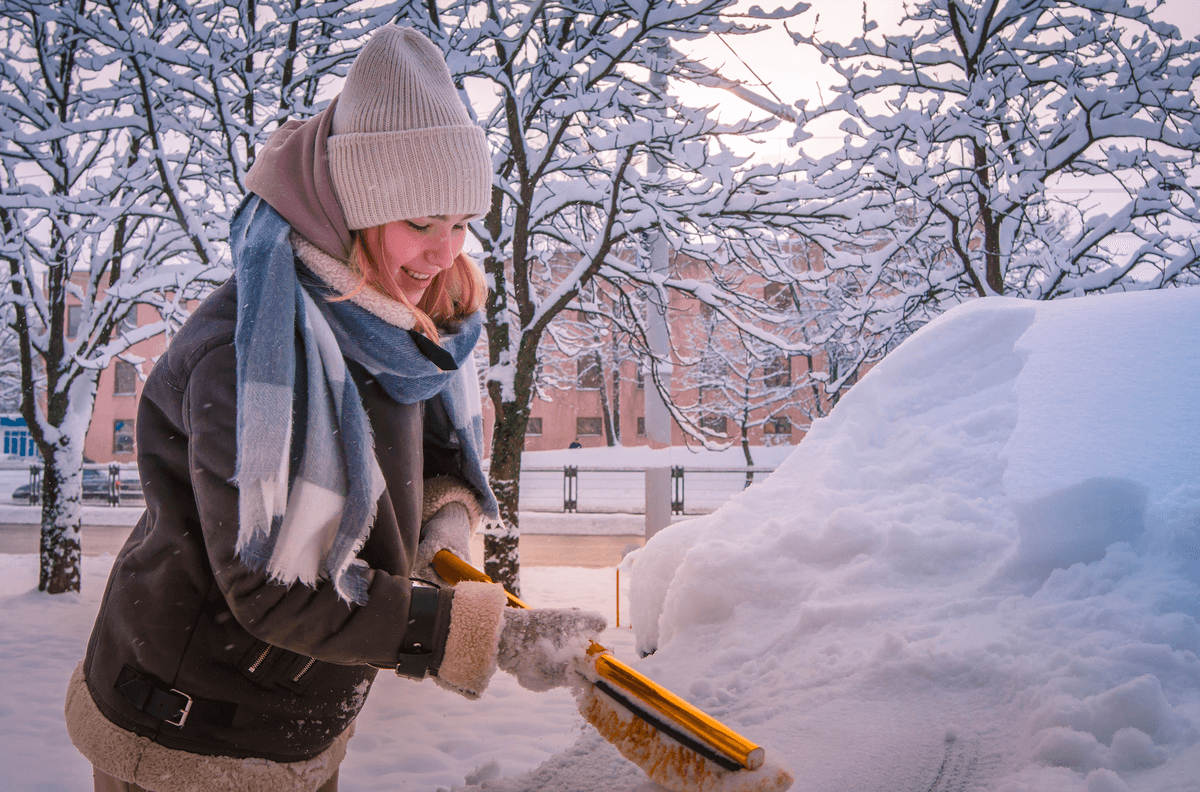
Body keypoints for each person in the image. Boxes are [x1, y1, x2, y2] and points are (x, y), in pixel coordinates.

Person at [65, 25, 604, 792]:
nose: (445, 252)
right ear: (355, 210)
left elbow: (427, 447)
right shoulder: (251, 352)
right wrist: (489, 637)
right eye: (421, 222)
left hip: (298, 714)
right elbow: (275, 586)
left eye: (461, 224)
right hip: (188, 731)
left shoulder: (394, 314)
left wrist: (443, 520)